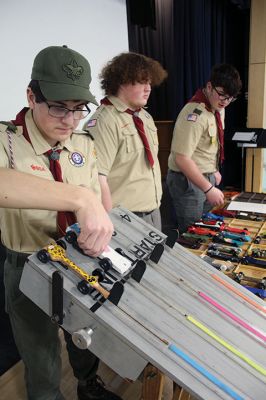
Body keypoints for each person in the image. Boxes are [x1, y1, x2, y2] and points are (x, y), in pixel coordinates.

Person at [0, 45, 121, 400]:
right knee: (40, 356)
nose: (69, 120)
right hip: (26, 263)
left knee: (85, 335)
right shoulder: (7, 141)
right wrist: (78, 198)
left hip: (79, 259)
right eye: (57, 107)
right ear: (30, 95)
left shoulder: (83, 142)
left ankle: (88, 385)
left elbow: (101, 196)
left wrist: (104, 219)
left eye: (78, 109)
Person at [84, 52, 167, 230]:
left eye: (150, 82)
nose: (148, 88)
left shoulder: (144, 116)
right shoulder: (105, 120)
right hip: (124, 219)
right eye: (142, 82)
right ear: (122, 81)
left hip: (153, 212)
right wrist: (108, 223)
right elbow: (98, 178)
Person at [166, 63, 242, 233]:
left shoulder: (218, 108)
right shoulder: (194, 114)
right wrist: (207, 188)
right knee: (192, 234)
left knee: (206, 229)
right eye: (222, 95)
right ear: (209, 86)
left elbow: (209, 144)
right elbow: (181, 158)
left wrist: (213, 170)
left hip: (207, 176)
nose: (225, 102)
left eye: (231, 98)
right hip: (187, 180)